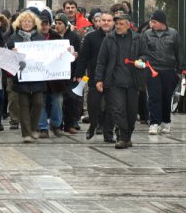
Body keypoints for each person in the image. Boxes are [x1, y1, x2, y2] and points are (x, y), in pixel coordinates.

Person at [95, 14, 148, 148]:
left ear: (128, 24)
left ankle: (128, 135)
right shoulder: (109, 39)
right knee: (119, 110)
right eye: (116, 23)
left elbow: (146, 55)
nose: (118, 26)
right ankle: (122, 137)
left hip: (133, 81)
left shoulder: (138, 38)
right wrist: (99, 79)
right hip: (114, 81)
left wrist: (141, 60)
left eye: (121, 24)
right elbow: (101, 61)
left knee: (131, 111)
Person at [75, 11, 115, 142]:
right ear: (98, 22)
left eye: (109, 20)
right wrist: (79, 74)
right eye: (103, 20)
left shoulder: (116, 37)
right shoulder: (90, 37)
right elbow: (83, 57)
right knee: (93, 104)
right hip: (94, 76)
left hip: (112, 77)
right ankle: (93, 125)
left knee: (110, 107)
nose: (106, 23)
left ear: (113, 22)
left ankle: (108, 132)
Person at [142, 10, 184, 135]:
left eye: (154, 22)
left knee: (167, 97)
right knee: (154, 97)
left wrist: (180, 70)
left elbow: (179, 52)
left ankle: (166, 121)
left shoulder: (173, 34)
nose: (151, 24)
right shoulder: (147, 34)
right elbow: (143, 51)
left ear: (162, 22)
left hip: (169, 70)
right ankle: (154, 123)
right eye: (151, 21)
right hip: (152, 69)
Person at [7, 11, 47, 143]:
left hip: (37, 76)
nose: (27, 24)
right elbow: (7, 57)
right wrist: (12, 53)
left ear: (34, 23)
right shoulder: (13, 38)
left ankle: (33, 129)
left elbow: (48, 55)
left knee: (38, 103)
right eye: (24, 21)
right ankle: (26, 134)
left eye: (29, 21)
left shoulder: (41, 38)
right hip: (21, 77)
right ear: (19, 23)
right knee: (23, 105)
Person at [36, 10, 65, 138]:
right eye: (42, 23)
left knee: (57, 100)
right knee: (40, 102)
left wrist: (69, 53)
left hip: (55, 77)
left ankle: (56, 124)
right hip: (38, 76)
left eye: (46, 23)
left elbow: (63, 54)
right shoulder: (33, 38)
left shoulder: (57, 38)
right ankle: (42, 127)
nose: (44, 26)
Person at [54, 13, 82, 134]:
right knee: (58, 99)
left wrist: (77, 73)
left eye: (60, 23)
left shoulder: (74, 37)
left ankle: (69, 123)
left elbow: (79, 54)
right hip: (55, 74)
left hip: (70, 73)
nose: (57, 26)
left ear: (65, 25)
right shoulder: (53, 37)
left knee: (71, 98)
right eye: (56, 23)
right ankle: (58, 124)